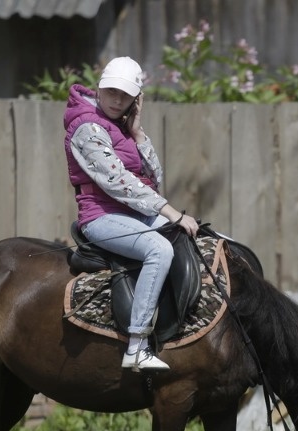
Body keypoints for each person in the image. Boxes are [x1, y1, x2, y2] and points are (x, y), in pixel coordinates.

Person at [64, 56, 199, 371]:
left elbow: (154, 177)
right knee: (159, 248)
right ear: (100, 87)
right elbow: (118, 182)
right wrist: (171, 211)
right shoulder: (86, 126)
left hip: (133, 213)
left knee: (187, 235)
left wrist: (138, 134)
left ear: (136, 99)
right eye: (111, 91)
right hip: (100, 217)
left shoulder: (120, 126)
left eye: (125, 95)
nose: (116, 100)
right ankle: (136, 344)